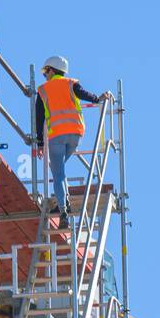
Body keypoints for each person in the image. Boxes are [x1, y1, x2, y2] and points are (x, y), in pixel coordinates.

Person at [34, 56, 112, 229]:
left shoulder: (43, 90)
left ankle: (63, 211)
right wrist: (98, 99)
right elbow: (84, 94)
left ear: (52, 70)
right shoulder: (70, 83)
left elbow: (39, 119)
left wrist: (40, 142)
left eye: (46, 72)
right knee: (58, 170)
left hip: (56, 136)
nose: (45, 76)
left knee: (58, 174)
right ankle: (64, 200)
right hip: (76, 135)